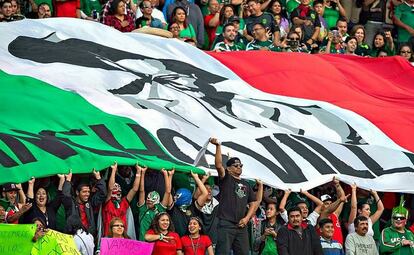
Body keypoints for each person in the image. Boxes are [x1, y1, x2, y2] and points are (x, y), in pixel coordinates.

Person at [210, 137, 262, 255]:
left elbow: (253, 203)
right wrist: (218, 146)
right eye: (235, 165)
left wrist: (247, 218)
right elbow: (218, 165)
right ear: (228, 168)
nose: (239, 167)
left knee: (244, 252)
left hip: (241, 225)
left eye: (240, 165)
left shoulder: (246, 184)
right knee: (222, 252)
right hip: (226, 224)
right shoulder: (226, 178)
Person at [63, 169, 107, 237]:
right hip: (74, 237)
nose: (87, 194)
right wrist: (68, 180)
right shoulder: (71, 204)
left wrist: (99, 178)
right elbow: (65, 195)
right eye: (84, 192)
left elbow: (103, 194)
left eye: (88, 192)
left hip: (89, 237)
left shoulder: (90, 203)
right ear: (77, 193)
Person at [102, 162, 141, 236]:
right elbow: (110, 188)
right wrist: (113, 170)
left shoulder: (124, 202)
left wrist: (138, 172)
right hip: (109, 238)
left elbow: (134, 189)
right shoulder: (107, 203)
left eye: (119, 190)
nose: (117, 191)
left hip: (122, 238)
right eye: (115, 189)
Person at [137, 167, 173, 241]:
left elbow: (168, 192)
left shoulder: (160, 208)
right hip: (143, 241)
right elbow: (141, 191)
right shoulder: (143, 208)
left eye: (152, 200)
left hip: (157, 241)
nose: (150, 201)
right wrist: (142, 173)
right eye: (148, 199)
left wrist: (167, 175)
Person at [168, 171, 209, 237]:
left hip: (190, 241)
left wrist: (197, 178)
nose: (175, 197)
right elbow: (168, 192)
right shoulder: (173, 208)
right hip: (176, 241)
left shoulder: (193, 207)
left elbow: (205, 194)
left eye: (177, 196)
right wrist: (197, 178)